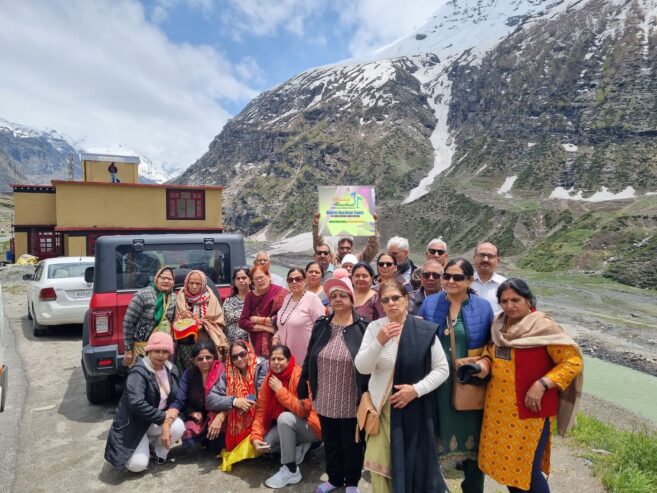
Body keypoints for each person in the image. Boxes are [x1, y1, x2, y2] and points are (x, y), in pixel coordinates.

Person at [476, 279, 584, 493]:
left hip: (528, 414)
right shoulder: (499, 325)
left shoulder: (543, 327)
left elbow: (573, 362)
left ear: (528, 300)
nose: (509, 305)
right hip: (499, 414)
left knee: (528, 472)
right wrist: (484, 362)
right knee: (509, 471)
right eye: (504, 301)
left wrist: (542, 384)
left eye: (515, 300)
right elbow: (491, 351)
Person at [355, 280, 450, 493]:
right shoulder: (375, 328)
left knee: (411, 468)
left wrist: (415, 390)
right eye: (386, 300)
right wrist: (379, 341)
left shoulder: (423, 331)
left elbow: (442, 369)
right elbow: (362, 367)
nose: (391, 303)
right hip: (381, 412)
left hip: (412, 411)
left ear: (406, 300)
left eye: (396, 298)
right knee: (380, 472)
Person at [418, 258, 493, 493]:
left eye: (457, 277)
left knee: (474, 446)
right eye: (447, 276)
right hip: (436, 385)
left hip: (468, 385)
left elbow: (490, 347)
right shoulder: (430, 305)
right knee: (431, 440)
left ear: (470, 280)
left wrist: (482, 365)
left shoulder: (483, 307)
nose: (450, 281)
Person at [298, 276, 368, 493]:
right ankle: (335, 478)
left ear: (351, 299)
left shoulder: (363, 327)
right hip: (325, 396)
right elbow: (311, 355)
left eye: (342, 295)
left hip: (351, 398)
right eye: (333, 296)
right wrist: (303, 381)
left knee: (352, 444)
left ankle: (353, 482)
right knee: (332, 442)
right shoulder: (321, 326)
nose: (337, 299)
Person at [105, 332, 185, 472]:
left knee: (178, 426)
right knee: (138, 465)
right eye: (156, 351)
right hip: (135, 424)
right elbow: (136, 403)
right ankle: (144, 443)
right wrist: (163, 417)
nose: (160, 355)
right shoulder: (139, 371)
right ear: (149, 351)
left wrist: (166, 422)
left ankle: (157, 451)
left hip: (155, 420)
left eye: (165, 351)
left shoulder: (171, 369)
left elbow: (176, 397)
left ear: (170, 353)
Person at [251, 344, 322, 489]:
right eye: (273, 359)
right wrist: (256, 437)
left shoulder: (300, 375)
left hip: (312, 427)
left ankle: (291, 469)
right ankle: (299, 447)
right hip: (290, 426)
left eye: (280, 359)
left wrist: (280, 391)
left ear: (289, 360)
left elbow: (304, 410)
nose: (276, 362)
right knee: (266, 443)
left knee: (284, 418)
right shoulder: (269, 380)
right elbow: (261, 411)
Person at [207, 340, 269, 454]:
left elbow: (260, 394)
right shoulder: (229, 373)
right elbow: (211, 399)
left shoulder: (262, 366)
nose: (239, 359)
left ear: (249, 352)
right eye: (235, 357)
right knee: (213, 423)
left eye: (242, 354)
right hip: (237, 417)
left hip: (262, 414)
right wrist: (235, 401)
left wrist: (223, 414)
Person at [169, 341, 226, 452]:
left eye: (208, 357)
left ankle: (212, 440)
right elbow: (180, 399)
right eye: (200, 359)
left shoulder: (222, 371)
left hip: (219, 414)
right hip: (199, 416)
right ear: (194, 361)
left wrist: (220, 416)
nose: (205, 361)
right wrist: (191, 412)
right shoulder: (189, 374)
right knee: (188, 431)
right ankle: (205, 439)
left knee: (218, 446)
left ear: (214, 357)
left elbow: (230, 396)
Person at [174, 270, 228, 370]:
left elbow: (219, 323)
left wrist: (203, 325)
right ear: (187, 283)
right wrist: (185, 319)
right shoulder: (181, 298)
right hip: (186, 346)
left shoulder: (211, 299)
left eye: (198, 283)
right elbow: (176, 321)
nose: (194, 286)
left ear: (202, 284)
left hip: (206, 345)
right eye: (191, 283)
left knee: (206, 373)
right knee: (187, 375)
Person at [123, 267, 177, 367]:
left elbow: (175, 320)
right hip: (143, 348)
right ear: (156, 279)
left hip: (164, 350)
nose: (166, 281)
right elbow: (128, 322)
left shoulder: (174, 298)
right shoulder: (143, 295)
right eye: (163, 278)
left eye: (169, 279)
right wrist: (128, 350)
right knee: (142, 377)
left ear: (173, 282)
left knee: (162, 377)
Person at [272, 268, 325, 363]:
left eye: (298, 279)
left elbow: (322, 328)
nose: (294, 282)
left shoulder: (312, 299)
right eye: (290, 280)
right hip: (285, 358)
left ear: (305, 281)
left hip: (306, 358)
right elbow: (284, 323)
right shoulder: (287, 298)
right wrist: (276, 337)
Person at [239, 264, 288, 357]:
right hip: (255, 342)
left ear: (269, 276)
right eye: (256, 279)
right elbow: (242, 322)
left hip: (277, 340)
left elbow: (282, 319)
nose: (259, 281)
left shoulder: (281, 292)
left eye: (261, 277)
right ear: (252, 282)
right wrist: (266, 328)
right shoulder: (250, 296)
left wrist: (255, 319)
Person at [312, 212, 380, 264]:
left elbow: (373, 247)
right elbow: (320, 245)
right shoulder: (332, 259)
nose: (345, 250)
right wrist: (317, 225)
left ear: (352, 249)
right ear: (337, 249)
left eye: (348, 248)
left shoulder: (358, 260)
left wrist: (373, 226)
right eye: (342, 248)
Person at [471, 242, 507, 312]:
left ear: (498, 260)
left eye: (490, 256)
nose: (485, 259)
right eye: (481, 255)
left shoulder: (506, 285)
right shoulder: (464, 282)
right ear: (474, 258)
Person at [223, 266, 252, 343]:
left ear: (250, 280)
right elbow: (223, 323)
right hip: (231, 343)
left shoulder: (256, 298)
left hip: (251, 341)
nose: (241, 281)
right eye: (238, 278)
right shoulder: (229, 301)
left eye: (244, 278)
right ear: (235, 281)